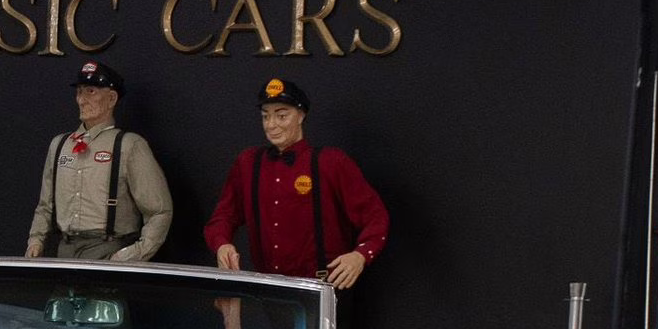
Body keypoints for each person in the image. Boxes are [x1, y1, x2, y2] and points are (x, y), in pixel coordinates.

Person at [205, 78, 388, 289]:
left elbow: (375, 216)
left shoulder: (331, 162)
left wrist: (361, 255)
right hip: (268, 290)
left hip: (324, 288)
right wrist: (221, 244)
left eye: (281, 115)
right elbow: (223, 216)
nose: (271, 124)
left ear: (301, 116)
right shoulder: (248, 163)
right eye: (266, 116)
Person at [26, 61, 173, 263]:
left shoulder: (129, 146)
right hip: (64, 252)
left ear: (111, 98)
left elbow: (159, 210)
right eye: (79, 92)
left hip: (108, 251)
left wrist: (134, 254)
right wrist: (36, 240)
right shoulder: (60, 145)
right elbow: (45, 205)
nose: (81, 100)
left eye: (91, 92)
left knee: (103, 296)